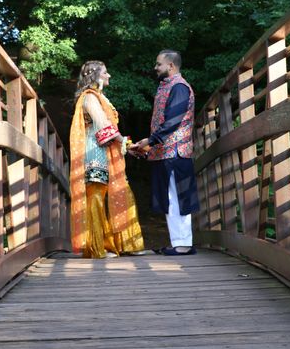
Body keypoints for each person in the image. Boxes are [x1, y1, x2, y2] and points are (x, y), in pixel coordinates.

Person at [69, 60, 145, 258]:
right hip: (95, 154)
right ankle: (98, 247)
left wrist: (127, 146)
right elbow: (104, 127)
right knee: (96, 197)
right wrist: (127, 144)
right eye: (105, 72)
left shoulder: (100, 98)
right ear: (95, 75)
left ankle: (127, 244)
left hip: (105, 152)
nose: (109, 75)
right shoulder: (89, 98)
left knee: (121, 192)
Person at [130, 50, 199, 255]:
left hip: (176, 152)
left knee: (178, 197)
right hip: (166, 152)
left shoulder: (179, 87)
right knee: (171, 198)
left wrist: (150, 141)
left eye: (159, 64)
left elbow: (173, 121)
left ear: (171, 66)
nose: (155, 67)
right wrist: (150, 145)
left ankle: (183, 244)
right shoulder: (168, 86)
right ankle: (179, 243)